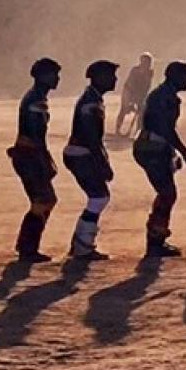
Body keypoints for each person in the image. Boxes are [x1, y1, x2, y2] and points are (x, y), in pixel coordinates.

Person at [134, 59, 186, 260]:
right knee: (167, 193)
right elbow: (165, 129)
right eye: (185, 76)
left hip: (153, 147)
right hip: (152, 148)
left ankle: (157, 237)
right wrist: (185, 152)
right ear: (174, 76)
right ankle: (155, 240)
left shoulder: (164, 95)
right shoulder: (165, 97)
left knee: (166, 193)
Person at [65, 60, 121, 261]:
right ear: (98, 77)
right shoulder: (91, 103)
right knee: (99, 198)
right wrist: (102, 163)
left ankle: (81, 244)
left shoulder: (93, 99)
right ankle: (83, 246)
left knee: (98, 198)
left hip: (80, 153)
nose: (115, 80)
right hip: (82, 154)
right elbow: (91, 138)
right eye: (111, 76)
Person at [10, 58, 63, 261]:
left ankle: (27, 245)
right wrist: (43, 159)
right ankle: (27, 247)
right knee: (44, 199)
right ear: (42, 76)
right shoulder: (36, 101)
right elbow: (35, 134)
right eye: (53, 74)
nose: (57, 78)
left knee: (43, 200)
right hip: (30, 156)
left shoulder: (35, 98)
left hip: (28, 154)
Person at [118, 54, 156, 144]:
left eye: (149, 62)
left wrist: (142, 98)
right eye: (145, 61)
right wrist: (131, 100)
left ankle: (138, 132)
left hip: (140, 93)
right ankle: (118, 130)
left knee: (141, 112)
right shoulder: (135, 70)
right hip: (128, 90)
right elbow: (130, 84)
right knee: (125, 109)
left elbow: (147, 85)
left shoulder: (150, 72)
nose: (147, 64)